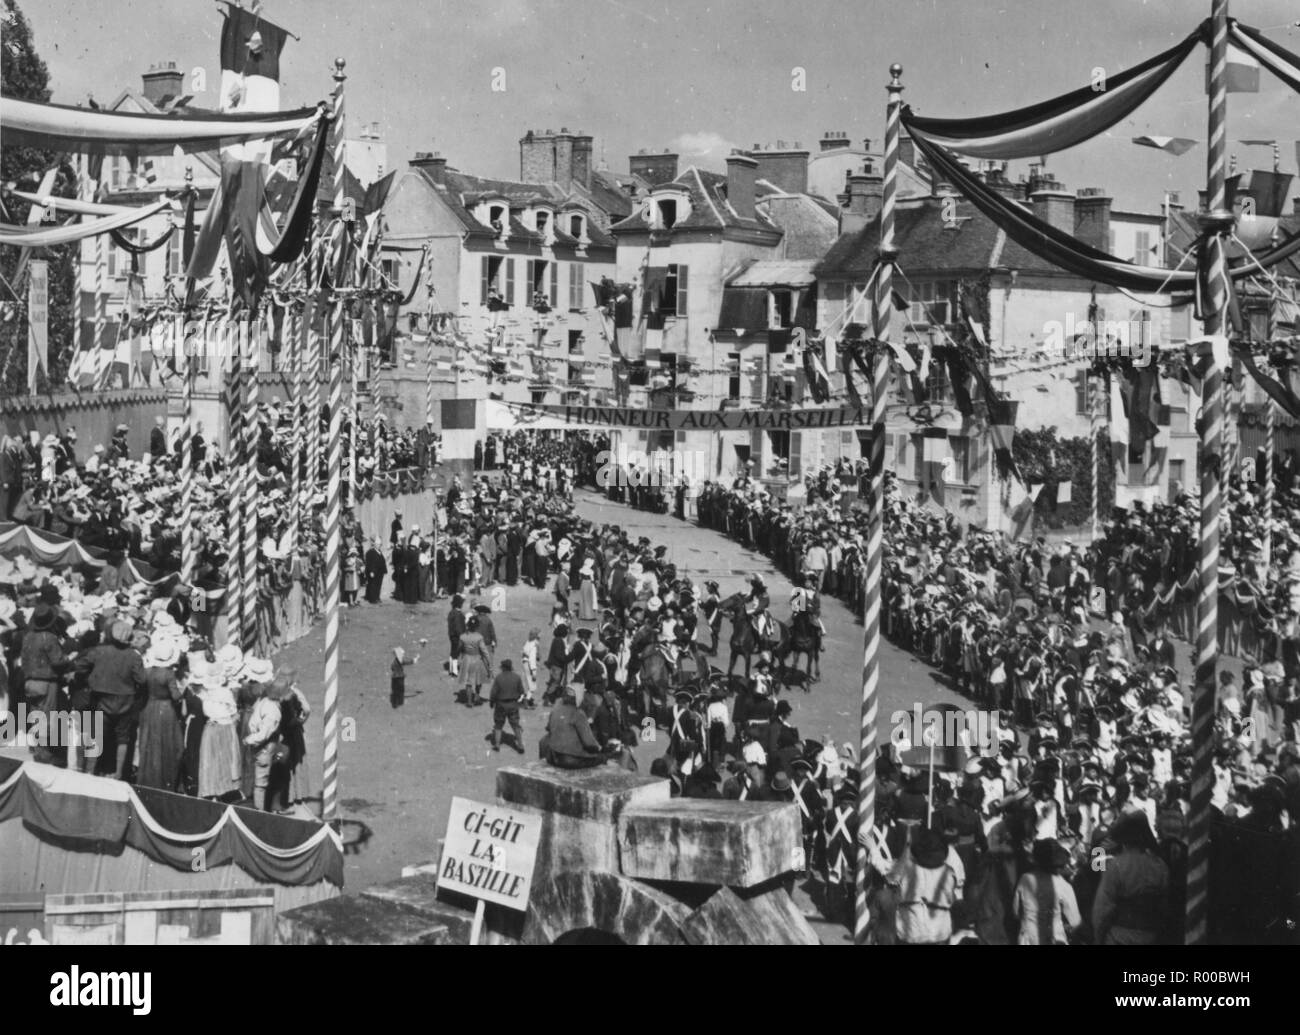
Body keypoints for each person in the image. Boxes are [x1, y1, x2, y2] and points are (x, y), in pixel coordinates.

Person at [76, 619, 145, 780]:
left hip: (101, 700)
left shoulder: (99, 652)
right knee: (123, 738)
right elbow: (141, 680)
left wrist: (92, 677)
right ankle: (119, 772)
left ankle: (90, 771)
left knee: (96, 736)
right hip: (125, 701)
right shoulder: (134, 656)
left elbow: (80, 666)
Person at [1092, 812, 1171, 945]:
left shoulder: (1116, 865)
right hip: (1151, 934)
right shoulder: (1159, 865)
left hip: (1120, 936)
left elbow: (1103, 909)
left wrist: (1098, 937)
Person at [136, 637, 184, 791]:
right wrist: (183, 691)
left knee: (150, 743)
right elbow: (175, 695)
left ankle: (148, 779)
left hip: (149, 707)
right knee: (167, 744)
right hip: (165, 709)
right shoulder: (169, 674)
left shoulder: (148, 671)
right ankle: (165, 780)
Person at [1012, 839, 1081, 945]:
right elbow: (1075, 921)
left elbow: (1016, 912)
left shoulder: (1025, 879)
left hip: (1028, 939)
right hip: (1054, 938)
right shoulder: (1063, 885)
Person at [541, 688, 605, 769]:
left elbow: (548, 727)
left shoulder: (557, 704)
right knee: (601, 758)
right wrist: (600, 749)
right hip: (568, 760)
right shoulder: (578, 713)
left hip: (551, 756)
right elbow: (589, 744)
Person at [489, 659, 526, 754]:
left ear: (503, 667)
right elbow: (522, 692)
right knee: (515, 725)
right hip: (513, 705)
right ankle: (520, 745)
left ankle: (497, 744)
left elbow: (493, 693)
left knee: (498, 725)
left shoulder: (499, 678)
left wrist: (492, 702)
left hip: (500, 705)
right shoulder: (517, 677)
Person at [458, 615, 492, 707]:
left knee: (469, 682)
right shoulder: (479, 637)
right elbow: (484, 651)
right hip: (477, 658)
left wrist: (459, 658)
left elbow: (459, 648)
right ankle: (477, 696)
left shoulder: (463, 636)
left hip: (467, 659)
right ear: (477, 626)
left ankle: (469, 701)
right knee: (478, 680)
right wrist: (488, 662)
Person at [446, 595, 466, 677]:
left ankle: (451, 670)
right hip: (457, 637)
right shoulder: (458, 614)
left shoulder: (451, 612)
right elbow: (458, 627)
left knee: (453, 652)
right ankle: (454, 671)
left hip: (452, 635)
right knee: (456, 654)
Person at [364, 537, 388, 604]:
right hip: (373, 572)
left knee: (378, 585)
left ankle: (377, 597)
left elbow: (382, 561)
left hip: (380, 572)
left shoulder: (379, 552)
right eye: (377, 544)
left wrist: (384, 570)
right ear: (374, 544)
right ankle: (372, 599)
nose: (379, 546)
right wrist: (371, 571)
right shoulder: (370, 552)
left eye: (380, 544)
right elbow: (369, 563)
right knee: (373, 585)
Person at [521, 628, 540, 708]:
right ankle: (527, 701)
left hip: (525, 663)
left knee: (528, 683)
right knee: (532, 685)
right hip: (530, 665)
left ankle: (526, 699)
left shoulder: (528, 642)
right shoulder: (534, 645)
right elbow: (532, 659)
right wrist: (534, 671)